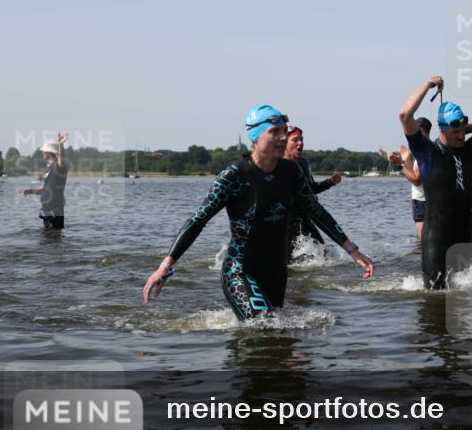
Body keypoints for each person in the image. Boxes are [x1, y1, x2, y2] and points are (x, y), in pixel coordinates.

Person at [143, 105, 373, 319]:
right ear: (255, 136)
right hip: (240, 271)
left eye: (284, 131)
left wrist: (352, 250)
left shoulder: (290, 172)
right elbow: (197, 220)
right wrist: (165, 266)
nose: (283, 137)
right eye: (275, 132)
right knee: (263, 325)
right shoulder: (235, 176)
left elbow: (316, 210)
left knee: (278, 340)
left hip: (277, 272)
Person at [398, 76, 472, 289]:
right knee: (435, 302)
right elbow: (404, 115)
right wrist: (428, 84)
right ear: (442, 129)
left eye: (462, 131)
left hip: (466, 240)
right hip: (436, 244)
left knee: (470, 302)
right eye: (455, 131)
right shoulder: (427, 151)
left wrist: (467, 127)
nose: (461, 136)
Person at [283, 125, 342, 259]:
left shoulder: (304, 163)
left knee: (323, 256)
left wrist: (330, 182)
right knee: (287, 265)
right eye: (295, 140)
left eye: (302, 139)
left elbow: (310, 190)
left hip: (307, 220)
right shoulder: (277, 167)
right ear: (283, 142)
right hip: (285, 225)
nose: (300, 143)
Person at [385, 117, 432, 252]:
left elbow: (416, 180)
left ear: (421, 131)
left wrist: (399, 166)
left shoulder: (425, 150)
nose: (411, 135)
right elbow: (414, 174)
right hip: (425, 199)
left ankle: (425, 268)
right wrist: (407, 160)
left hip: (423, 200)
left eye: (413, 132)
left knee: (422, 241)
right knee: (426, 240)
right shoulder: (425, 148)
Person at [21, 133, 69, 229]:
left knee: (54, 239)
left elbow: (62, 159)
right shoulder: (49, 168)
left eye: (44, 151)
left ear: (49, 152)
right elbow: (45, 189)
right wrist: (30, 191)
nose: (42, 153)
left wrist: (60, 145)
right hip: (47, 211)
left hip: (55, 211)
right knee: (47, 240)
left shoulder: (58, 167)